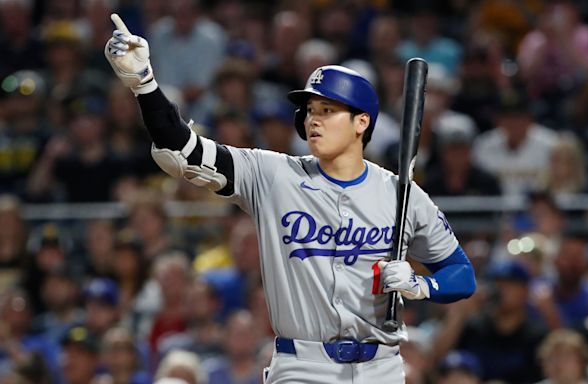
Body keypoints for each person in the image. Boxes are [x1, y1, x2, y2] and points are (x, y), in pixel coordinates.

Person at [104, 14, 476, 383]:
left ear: (361, 122)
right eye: (311, 110)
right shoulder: (273, 175)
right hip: (302, 366)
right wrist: (144, 84)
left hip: (380, 366)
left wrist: (422, 285)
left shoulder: (401, 194)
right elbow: (181, 150)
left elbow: (462, 274)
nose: (314, 120)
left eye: (328, 110)